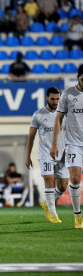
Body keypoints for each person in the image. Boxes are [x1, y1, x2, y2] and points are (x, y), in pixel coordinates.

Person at [26, 87, 68, 223]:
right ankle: (52, 213)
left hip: (62, 154)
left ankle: (47, 202)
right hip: (45, 153)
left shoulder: (65, 114)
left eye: (57, 99)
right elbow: (31, 137)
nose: (56, 102)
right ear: (46, 98)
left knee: (63, 185)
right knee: (49, 180)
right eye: (53, 99)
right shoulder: (38, 115)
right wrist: (27, 156)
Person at [50, 64, 83, 229]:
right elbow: (58, 119)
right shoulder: (68, 94)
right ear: (78, 77)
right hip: (74, 144)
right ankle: (78, 216)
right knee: (75, 178)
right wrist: (55, 143)